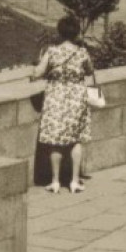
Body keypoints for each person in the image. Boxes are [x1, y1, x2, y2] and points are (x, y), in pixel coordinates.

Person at [32, 13, 97, 193]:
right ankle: (75, 181)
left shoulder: (52, 51)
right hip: (76, 98)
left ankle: (55, 182)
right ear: (76, 32)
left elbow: (38, 73)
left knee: (55, 142)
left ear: (60, 32)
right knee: (76, 140)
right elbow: (89, 70)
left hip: (56, 98)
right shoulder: (82, 52)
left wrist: (35, 71)